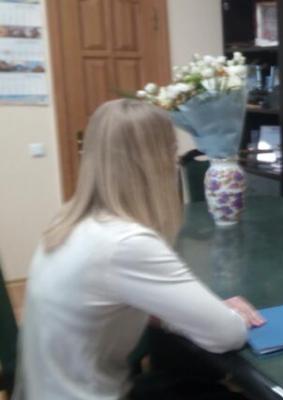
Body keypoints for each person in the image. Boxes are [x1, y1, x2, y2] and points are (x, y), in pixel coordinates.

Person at [13, 99, 265, 399]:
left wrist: (191, 315)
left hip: (49, 391)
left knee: (190, 376)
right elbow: (227, 336)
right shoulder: (126, 244)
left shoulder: (68, 221)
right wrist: (230, 314)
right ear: (159, 160)